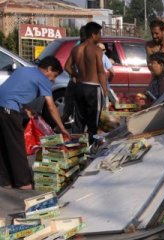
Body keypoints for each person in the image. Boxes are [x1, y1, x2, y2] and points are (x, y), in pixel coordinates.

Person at [0, 56, 70, 190]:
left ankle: (5, 181)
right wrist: (62, 128)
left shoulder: (24, 70)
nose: (53, 80)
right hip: (8, 109)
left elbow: (14, 91)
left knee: (3, 145)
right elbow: (51, 106)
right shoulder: (43, 79)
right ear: (49, 69)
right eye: (54, 76)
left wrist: (26, 108)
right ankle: (23, 183)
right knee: (17, 147)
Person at [66, 21, 108, 143]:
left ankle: (75, 147)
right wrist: (105, 91)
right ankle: (90, 147)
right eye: (99, 34)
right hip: (93, 88)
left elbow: (67, 66)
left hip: (79, 87)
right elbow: (101, 72)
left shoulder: (76, 49)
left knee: (79, 120)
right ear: (93, 34)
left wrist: (77, 75)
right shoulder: (96, 50)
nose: (100, 37)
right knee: (93, 121)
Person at [61, 26, 86, 124]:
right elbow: (68, 66)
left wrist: (74, 76)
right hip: (82, 85)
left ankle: (59, 129)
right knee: (80, 114)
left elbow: (67, 66)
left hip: (74, 82)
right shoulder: (84, 48)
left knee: (69, 111)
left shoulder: (77, 46)